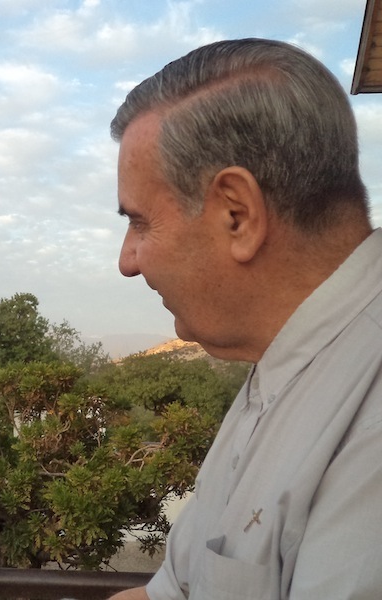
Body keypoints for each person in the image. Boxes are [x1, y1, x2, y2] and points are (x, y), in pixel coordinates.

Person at [107, 38, 382, 599]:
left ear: (238, 214)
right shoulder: (284, 361)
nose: (127, 261)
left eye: (139, 222)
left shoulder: (367, 421)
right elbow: (173, 591)